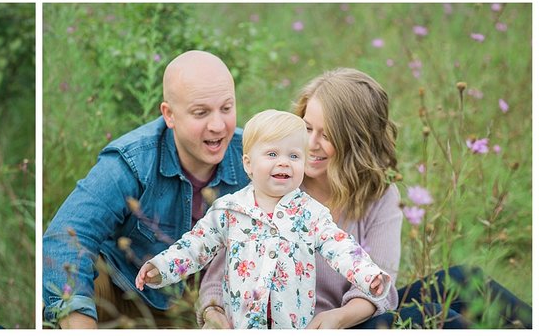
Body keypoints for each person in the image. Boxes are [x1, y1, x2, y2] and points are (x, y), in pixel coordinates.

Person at [197, 69, 532, 329]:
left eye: (327, 135)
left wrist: (340, 318)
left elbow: (380, 285)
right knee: (424, 317)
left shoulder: (378, 194)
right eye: (307, 127)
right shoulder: (271, 185)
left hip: (345, 321)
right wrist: (214, 314)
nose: (310, 143)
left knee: (461, 280)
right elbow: (216, 283)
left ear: (355, 143)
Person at [42, 50, 249, 328]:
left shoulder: (253, 157)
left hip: (205, 306)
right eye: (201, 113)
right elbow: (65, 237)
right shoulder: (133, 160)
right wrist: (79, 322)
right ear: (169, 115)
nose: (217, 125)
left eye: (226, 108)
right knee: (54, 300)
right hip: (123, 291)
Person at [136, 110, 390, 329]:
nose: (284, 163)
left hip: (293, 324)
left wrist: (368, 276)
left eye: (294, 156)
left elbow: (341, 248)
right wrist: (160, 268)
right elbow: (195, 246)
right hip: (240, 324)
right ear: (248, 164)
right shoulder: (229, 209)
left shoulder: (311, 213)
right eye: (272, 154)